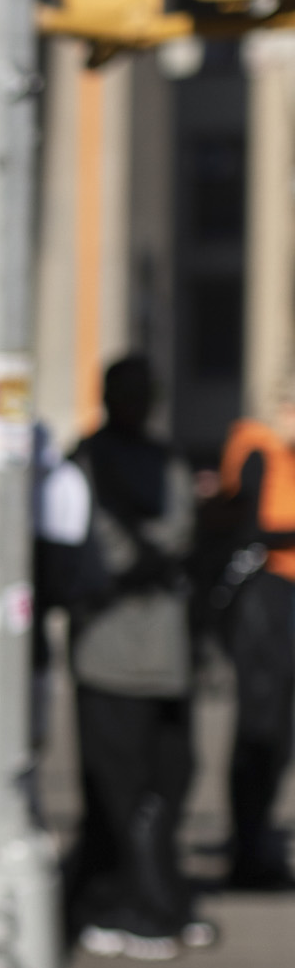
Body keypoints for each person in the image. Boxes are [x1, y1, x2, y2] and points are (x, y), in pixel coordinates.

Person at [63, 354, 208, 958]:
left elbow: (181, 528)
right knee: (116, 788)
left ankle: (152, 894)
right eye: (128, 391)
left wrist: (151, 554)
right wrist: (138, 560)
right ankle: (137, 902)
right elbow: (91, 540)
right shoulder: (85, 461)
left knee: (170, 777)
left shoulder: (164, 458)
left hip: (165, 652)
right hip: (108, 651)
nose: (138, 401)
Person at [215, 376, 295, 890]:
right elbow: (246, 527)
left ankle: (261, 842)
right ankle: (248, 848)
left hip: (286, 598)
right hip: (264, 599)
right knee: (259, 728)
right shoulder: (257, 451)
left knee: (281, 732)